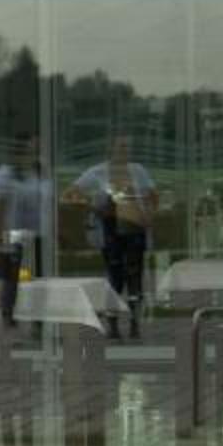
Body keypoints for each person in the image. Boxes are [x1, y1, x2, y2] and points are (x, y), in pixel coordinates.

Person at [74, 135, 158, 335]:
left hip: (134, 226)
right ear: (110, 149)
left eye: (127, 147)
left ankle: (135, 323)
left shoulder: (138, 170)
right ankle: (112, 324)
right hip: (111, 227)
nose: (125, 151)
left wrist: (149, 215)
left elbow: (153, 195)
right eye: (121, 147)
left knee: (135, 276)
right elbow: (73, 192)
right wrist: (96, 208)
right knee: (115, 276)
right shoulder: (98, 172)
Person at [0, 137, 53, 326]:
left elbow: (48, 201)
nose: (31, 156)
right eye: (27, 152)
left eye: (34, 152)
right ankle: (8, 314)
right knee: (12, 276)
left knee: (38, 276)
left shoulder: (40, 172)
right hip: (13, 232)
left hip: (38, 232)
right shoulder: (5, 174)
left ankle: (38, 319)